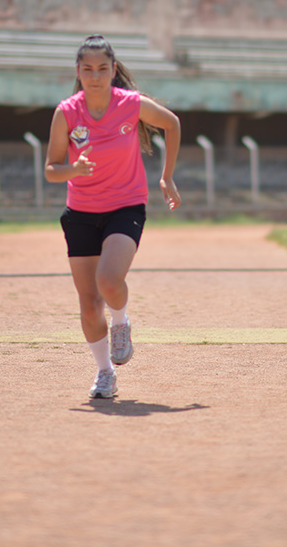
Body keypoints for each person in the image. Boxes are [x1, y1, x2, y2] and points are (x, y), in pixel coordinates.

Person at [45, 35, 182, 398]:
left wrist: (166, 176)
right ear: (78, 71)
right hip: (81, 213)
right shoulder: (67, 112)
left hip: (125, 205)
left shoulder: (131, 104)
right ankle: (105, 373)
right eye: (87, 69)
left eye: (102, 68)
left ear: (113, 70)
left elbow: (171, 123)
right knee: (89, 304)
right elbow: (51, 169)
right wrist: (73, 168)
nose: (95, 76)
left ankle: (121, 321)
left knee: (109, 280)